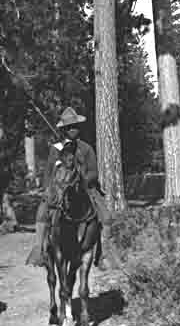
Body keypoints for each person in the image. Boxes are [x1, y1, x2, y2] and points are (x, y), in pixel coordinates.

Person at [26, 107, 120, 269]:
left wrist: (83, 180)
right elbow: (49, 172)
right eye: (69, 127)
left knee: (106, 217)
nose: (72, 130)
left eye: (75, 127)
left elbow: (94, 172)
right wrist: (50, 188)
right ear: (64, 130)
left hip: (86, 188)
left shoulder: (86, 148)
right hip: (60, 187)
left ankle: (104, 254)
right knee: (42, 212)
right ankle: (38, 249)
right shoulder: (56, 149)